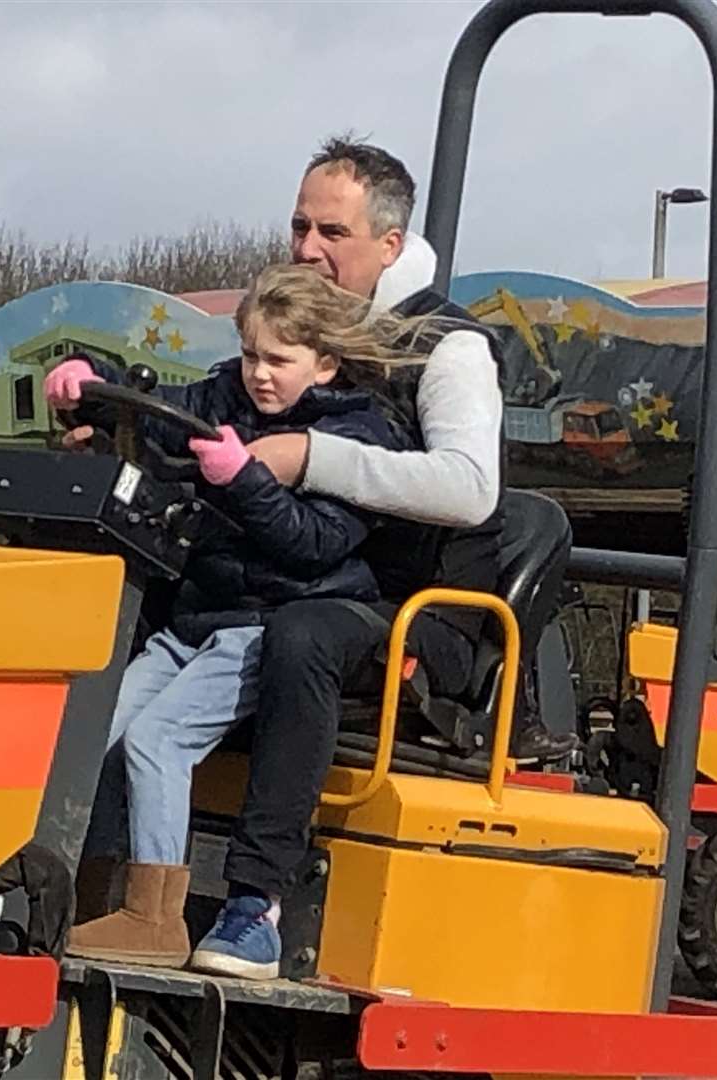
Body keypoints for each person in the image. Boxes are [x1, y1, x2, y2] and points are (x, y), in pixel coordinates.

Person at [180, 137, 579, 981]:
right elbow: (203, 405)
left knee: (305, 635)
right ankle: (103, 861)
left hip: (422, 613)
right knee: (156, 583)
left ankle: (255, 901)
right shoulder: (297, 330)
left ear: (390, 245)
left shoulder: (451, 349)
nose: (306, 249)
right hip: (320, 573)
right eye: (299, 227)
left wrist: (309, 456)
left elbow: (471, 489)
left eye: (332, 231)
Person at [48, 263, 432, 972]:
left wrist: (247, 481)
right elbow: (160, 409)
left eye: (279, 361)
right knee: (94, 727)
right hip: (199, 617)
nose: (259, 374)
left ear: (325, 362)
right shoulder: (227, 390)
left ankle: (154, 916)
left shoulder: (358, 435)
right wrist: (92, 383)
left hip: (268, 621)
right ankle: (80, 892)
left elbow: (315, 543)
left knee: (159, 741)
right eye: (252, 354)